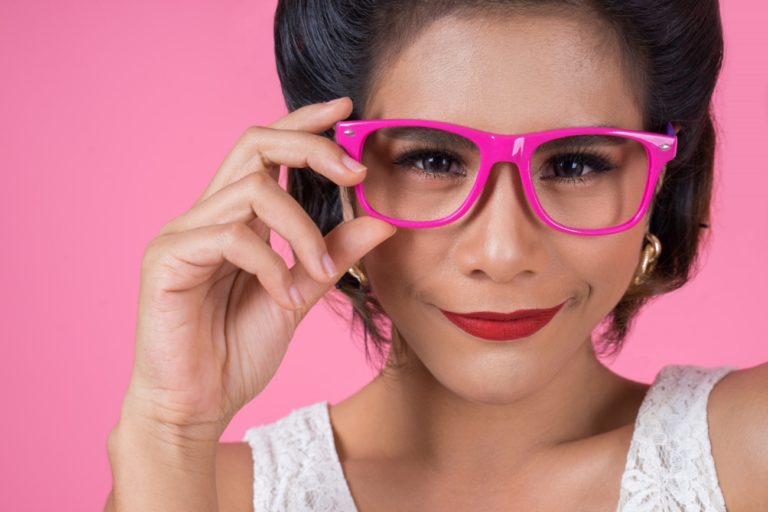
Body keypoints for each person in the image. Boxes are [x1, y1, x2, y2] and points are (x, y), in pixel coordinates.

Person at [104, 0, 768, 510]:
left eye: (574, 163)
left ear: (661, 185)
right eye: (432, 160)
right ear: (332, 177)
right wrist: (168, 428)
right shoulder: (194, 489)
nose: (503, 253)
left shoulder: (750, 450)